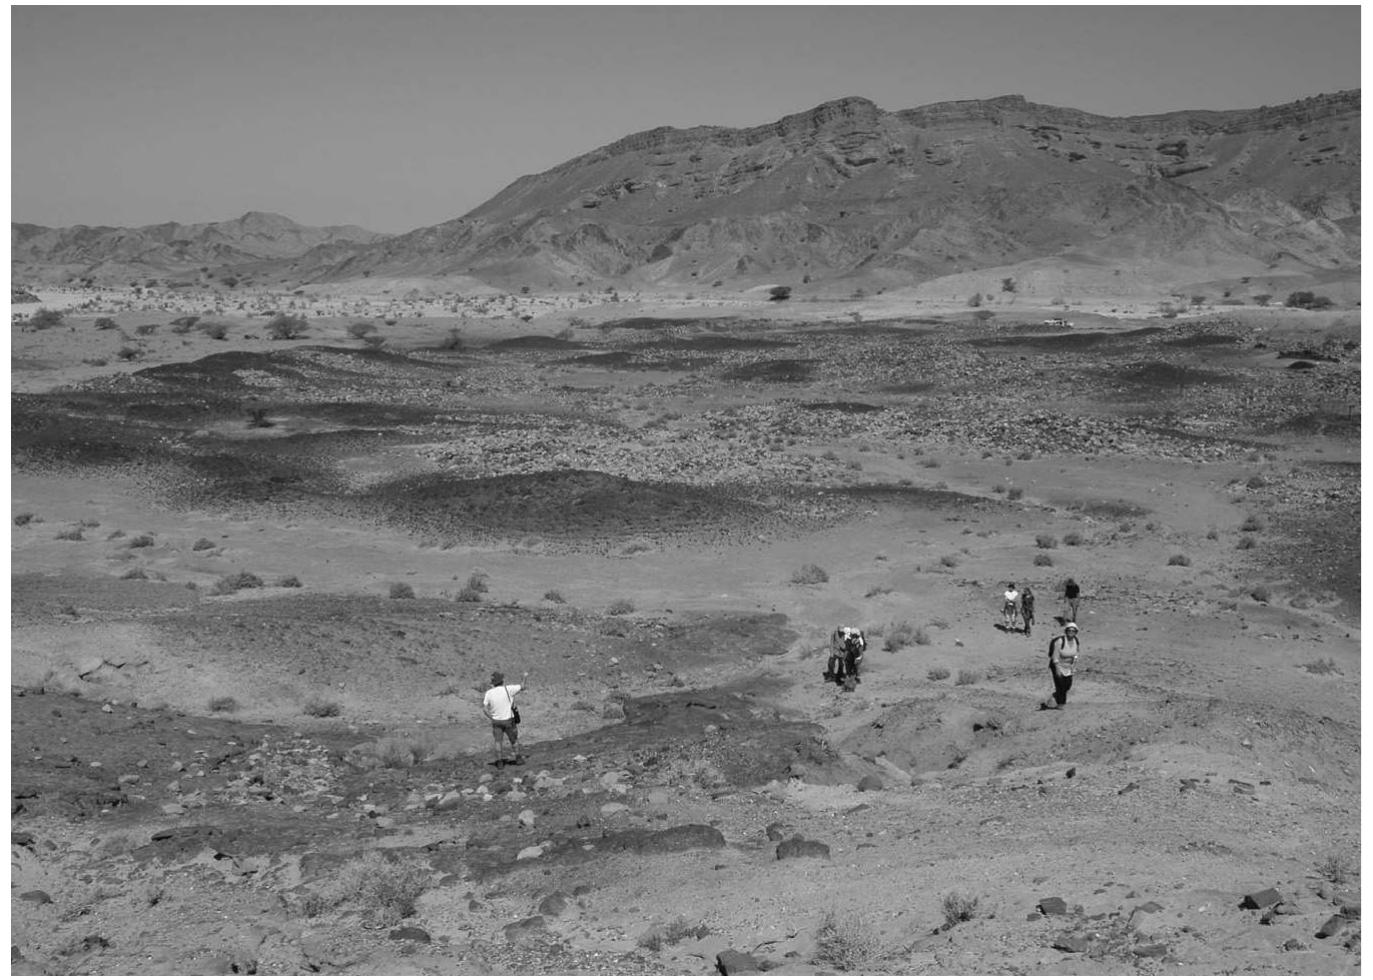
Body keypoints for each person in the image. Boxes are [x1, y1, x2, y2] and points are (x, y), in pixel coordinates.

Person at [482, 670, 528, 766]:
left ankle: (499, 762)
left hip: (496, 721)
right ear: (502, 681)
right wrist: (524, 677)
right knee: (513, 739)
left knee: (498, 742)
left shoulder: (489, 693)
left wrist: (492, 718)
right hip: (508, 720)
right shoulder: (508, 689)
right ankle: (518, 758)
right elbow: (522, 687)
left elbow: (485, 709)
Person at [1043, 623, 1080, 709]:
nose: (1071, 632)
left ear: (1075, 632)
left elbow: (1076, 654)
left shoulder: (1076, 641)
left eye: (1073, 631)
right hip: (1057, 665)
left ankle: (1055, 696)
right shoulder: (1060, 641)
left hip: (1068, 666)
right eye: (1069, 630)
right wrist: (1057, 669)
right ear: (1066, 631)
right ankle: (1061, 703)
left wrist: (1074, 665)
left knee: (1068, 685)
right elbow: (1055, 656)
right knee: (1060, 685)